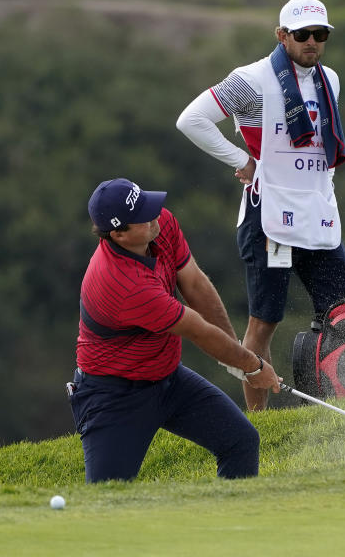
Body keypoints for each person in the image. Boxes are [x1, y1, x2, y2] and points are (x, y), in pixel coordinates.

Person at [176, 0, 345, 410]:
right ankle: (258, 424)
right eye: (303, 34)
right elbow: (192, 120)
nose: (312, 41)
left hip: (318, 211)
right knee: (264, 322)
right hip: (268, 217)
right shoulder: (252, 78)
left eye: (320, 34)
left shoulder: (332, 79)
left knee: (343, 313)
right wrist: (242, 160)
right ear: (281, 35)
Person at [70, 177, 281, 483]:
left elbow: (195, 284)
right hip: (113, 396)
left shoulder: (160, 224)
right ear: (118, 234)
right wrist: (252, 365)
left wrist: (236, 354)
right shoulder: (122, 284)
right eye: (143, 215)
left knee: (240, 441)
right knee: (108, 494)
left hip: (167, 379)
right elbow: (197, 330)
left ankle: (233, 525)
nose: (155, 214)